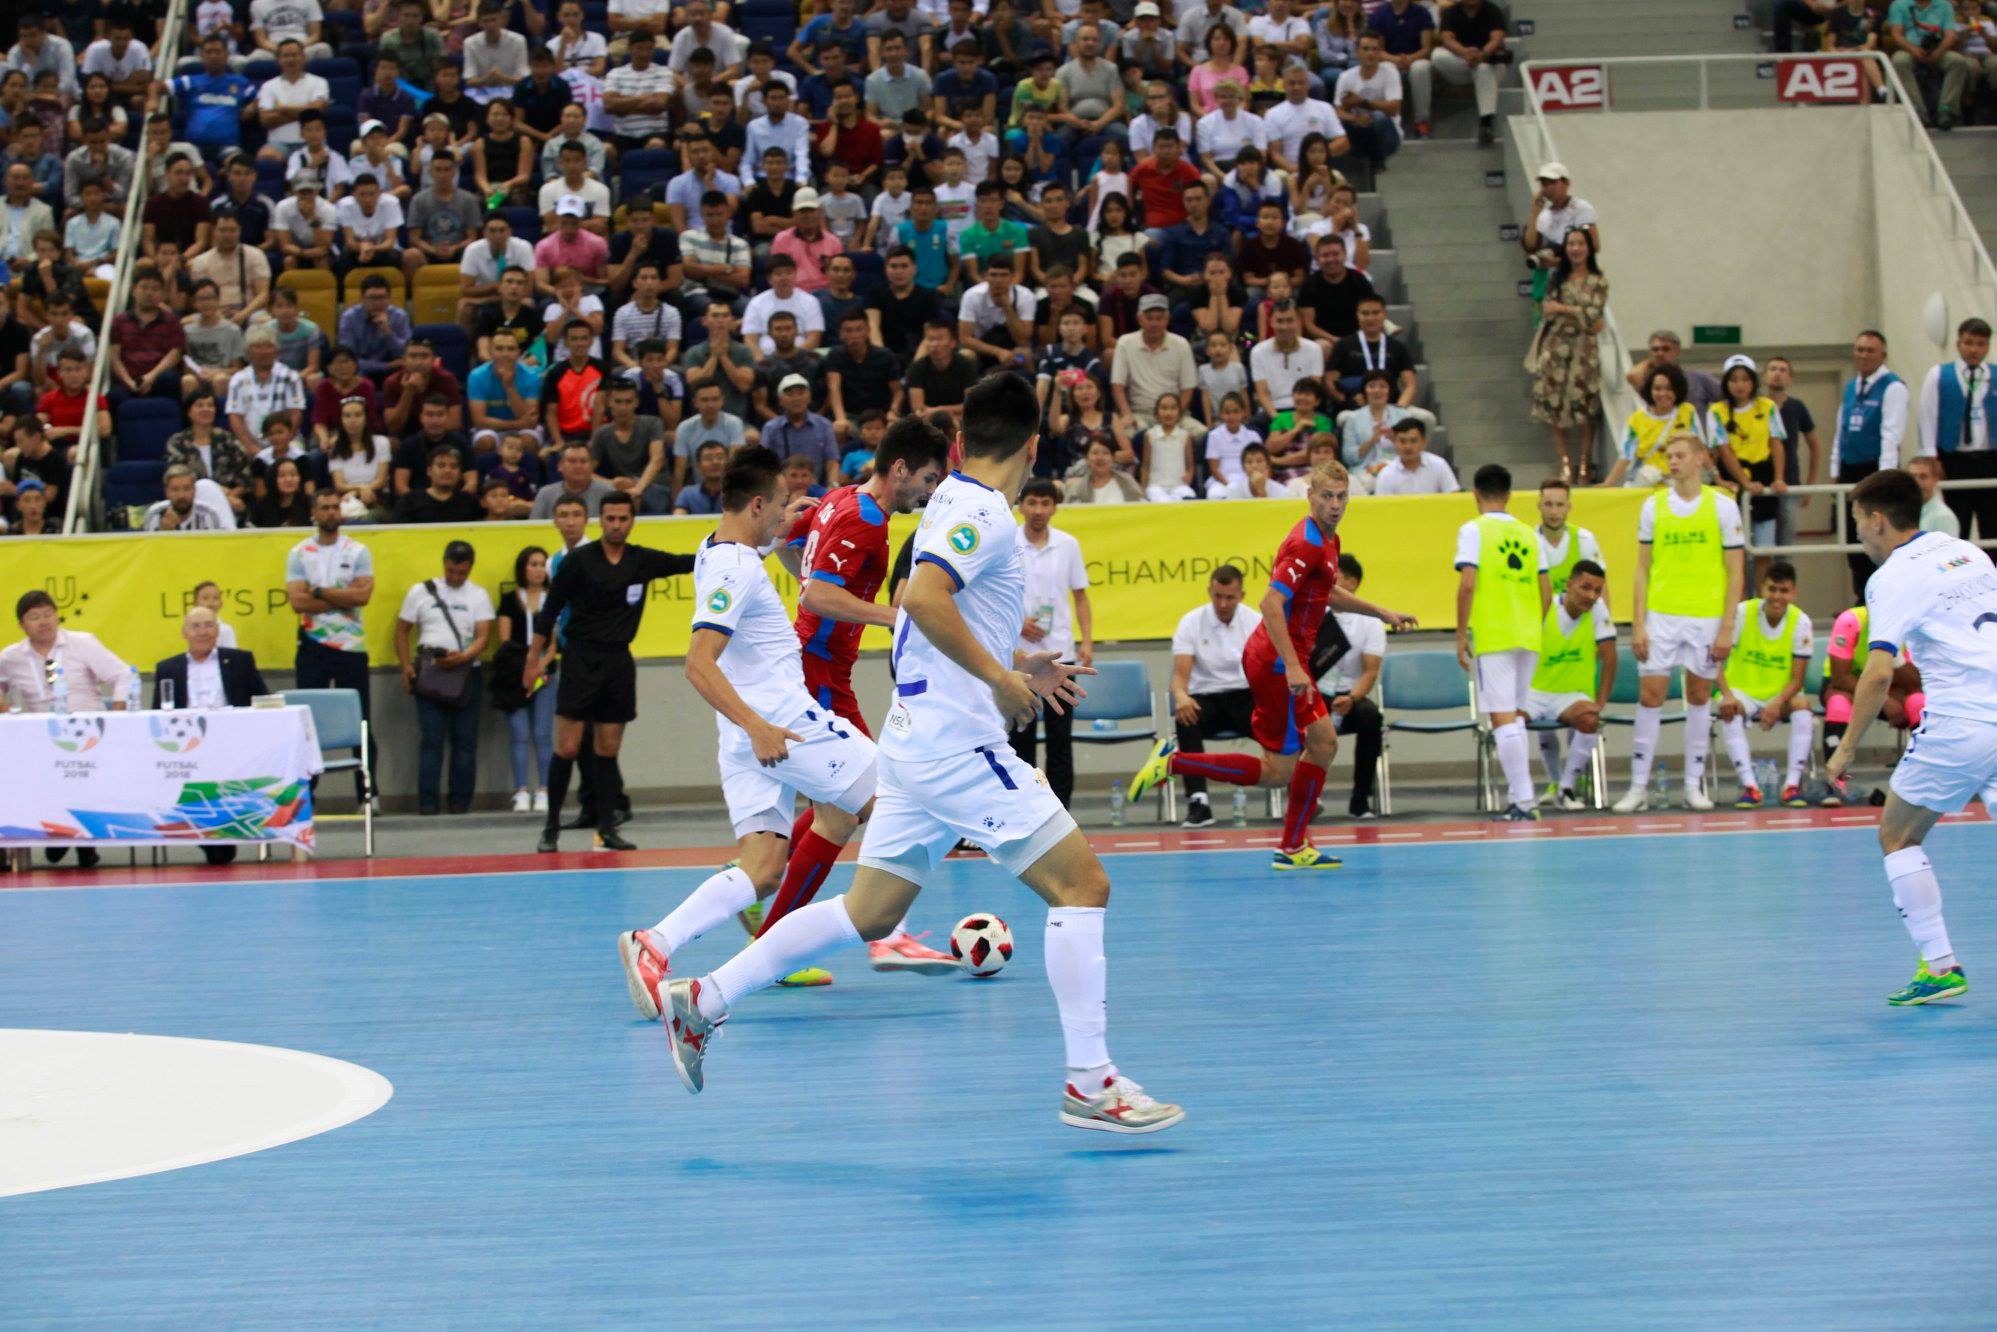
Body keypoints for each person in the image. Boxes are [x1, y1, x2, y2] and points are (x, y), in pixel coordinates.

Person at [650, 373, 1184, 1133]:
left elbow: (917, 611)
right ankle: (1090, 1083)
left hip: (913, 740)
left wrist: (1013, 661)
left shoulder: (946, 501)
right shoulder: (983, 512)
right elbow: (924, 600)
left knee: (869, 912)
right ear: (1034, 448)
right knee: (1083, 887)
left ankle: (703, 999)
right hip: (955, 747)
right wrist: (1000, 679)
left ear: (960, 444)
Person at [737, 417, 956, 971]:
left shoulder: (839, 499)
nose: (930, 492)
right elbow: (816, 595)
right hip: (818, 671)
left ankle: (753, 883)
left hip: (822, 669)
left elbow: (793, 552)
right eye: (929, 479)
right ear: (900, 469)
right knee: (869, 805)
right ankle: (807, 944)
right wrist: (895, 617)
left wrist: (816, 582)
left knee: (841, 806)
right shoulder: (865, 519)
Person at [1131, 459, 1417, 868]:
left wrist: (1382, 612)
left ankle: (1293, 845)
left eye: (1342, 497)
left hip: (1284, 659)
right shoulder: (1307, 543)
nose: (1335, 504)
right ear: (1310, 496)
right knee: (1278, 771)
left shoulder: (1329, 540)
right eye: (1327, 496)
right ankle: (1174, 762)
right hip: (1277, 664)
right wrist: (1293, 666)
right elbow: (1270, 602)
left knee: (1323, 744)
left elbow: (1326, 593)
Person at [1827, 469, 1997, 1004]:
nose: (1859, 533)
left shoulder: (1891, 578)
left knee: (1897, 836)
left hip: (1962, 722)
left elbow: (1877, 674)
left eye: (1858, 522)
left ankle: (1940, 966)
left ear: (1878, 520)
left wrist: (1846, 747)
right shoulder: (1968, 552)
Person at [526, 490, 697, 851]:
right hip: (579, 659)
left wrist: (739, 548)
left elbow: (688, 562)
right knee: (567, 748)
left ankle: (606, 829)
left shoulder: (641, 560)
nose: (617, 525)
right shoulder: (577, 561)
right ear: (601, 521)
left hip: (618, 662)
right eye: (610, 519)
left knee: (607, 749)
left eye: (623, 519)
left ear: (632, 521)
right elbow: (550, 610)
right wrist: (532, 662)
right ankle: (551, 828)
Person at [1613, 433, 1746, 814]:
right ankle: (1638, 787)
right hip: (1662, 615)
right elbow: (1641, 569)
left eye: (1680, 455)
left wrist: (1727, 626)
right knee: (1650, 696)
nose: (1672, 462)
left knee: (1700, 696)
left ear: (1700, 458)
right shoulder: (1653, 506)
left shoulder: (1723, 506)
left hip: (1706, 615)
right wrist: (1638, 623)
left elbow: (1736, 571)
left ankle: (1692, 786)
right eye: (1669, 456)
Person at [1454, 464, 1552, 821]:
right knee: (1516, 718)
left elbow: (1468, 584)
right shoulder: (1530, 533)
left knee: (1503, 718)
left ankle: (1524, 802)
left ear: (1475, 494)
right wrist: (1532, 623)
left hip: (1494, 633)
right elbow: (1546, 591)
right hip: (1528, 633)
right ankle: (1519, 797)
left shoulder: (1473, 530)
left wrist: (1461, 632)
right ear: (1509, 495)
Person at [152, 604, 269, 865]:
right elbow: (157, 715)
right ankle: (209, 835)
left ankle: (222, 833)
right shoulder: (168, 668)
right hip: (187, 748)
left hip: (233, 743)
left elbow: (263, 700)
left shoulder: (240, 661)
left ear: (218, 631)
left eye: (209, 625)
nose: (202, 632)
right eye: (195, 626)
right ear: (184, 633)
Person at [285, 489, 376, 804]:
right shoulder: (300, 553)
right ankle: (307, 793)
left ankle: (368, 794)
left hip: (351, 646)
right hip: (313, 644)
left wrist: (319, 591)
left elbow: (363, 597)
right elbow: (297, 602)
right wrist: (342, 598)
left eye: (335, 507)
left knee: (362, 721)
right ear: (314, 512)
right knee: (308, 723)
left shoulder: (358, 551)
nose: (330, 513)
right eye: (324, 508)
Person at [1712, 559, 1817, 810]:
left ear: (1793, 593)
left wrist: (1776, 703)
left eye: (1784, 591)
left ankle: (1791, 786)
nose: (1777, 596)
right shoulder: (1741, 613)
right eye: (1772, 589)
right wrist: (1726, 694)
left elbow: (1798, 679)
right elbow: (1716, 661)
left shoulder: (1801, 622)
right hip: (1742, 692)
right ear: (1762, 588)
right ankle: (1750, 786)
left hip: (1780, 695)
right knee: (1729, 710)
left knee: (1803, 706)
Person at [1521, 558, 1616, 812]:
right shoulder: (1544, 607)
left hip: (1572, 696)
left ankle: (1566, 787)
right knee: (1511, 722)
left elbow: (1610, 657)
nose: (1591, 596)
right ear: (1569, 584)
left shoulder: (1598, 611)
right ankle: (1521, 794)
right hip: (1535, 692)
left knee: (1590, 720)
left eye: (1597, 591)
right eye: (1585, 587)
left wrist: (1600, 703)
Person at [1166, 565, 1257, 828]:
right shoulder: (1191, 622)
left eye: (1230, 597)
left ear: (1242, 596)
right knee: (1185, 716)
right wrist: (1181, 697)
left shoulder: (1256, 621)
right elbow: (1180, 676)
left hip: (1245, 697)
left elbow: (1267, 671)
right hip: (1206, 698)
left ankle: (1297, 792)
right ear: (1209, 591)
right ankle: (1199, 801)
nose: (1223, 603)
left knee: (1283, 721)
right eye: (1217, 596)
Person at [1831, 329, 1907, 597]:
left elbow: (1891, 435)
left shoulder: (1893, 387)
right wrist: (1835, 470)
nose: (1864, 355)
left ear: (1883, 355)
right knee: (1854, 542)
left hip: (1873, 470)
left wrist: (1883, 479)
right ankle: (1860, 603)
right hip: (1849, 470)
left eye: (1870, 351)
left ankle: (1881, 600)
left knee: (1877, 541)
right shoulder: (1851, 386)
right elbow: (1841, 431)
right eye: (1859, 350)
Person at [1530, 228, 1607, 482]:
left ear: (1588, 248)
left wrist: (1564, 309)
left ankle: (1584, 463)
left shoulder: (1598, 280)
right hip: (1555, 346)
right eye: (1571, 244)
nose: (1575, 248)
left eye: (1580, 243)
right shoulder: (1557, 278)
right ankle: (1564, 462)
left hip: (1584, 349)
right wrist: (1576, 311)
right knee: (1551, 403)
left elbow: (1593, 316)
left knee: (1584, 404)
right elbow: (1547, 309)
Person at [1917, 316, 1996, 541]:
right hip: (1953, 458)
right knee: (1957, 521)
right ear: (1958, 343)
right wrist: (1930, 458)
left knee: (1992, 525)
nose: (1974, 349)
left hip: (1990, 458)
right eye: (1968, 343)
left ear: (1988, 347)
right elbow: (1927, 416)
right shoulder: (1939, 375)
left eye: (1980, 344)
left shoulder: (1995, 375)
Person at [496, 545, 559, 814]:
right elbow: (505, 640)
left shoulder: (554, 599)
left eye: (542, 564)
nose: (538, 570)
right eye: (533, 564)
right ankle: (521, 790)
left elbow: (554, 644)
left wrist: (540, 666)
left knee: (543, 734)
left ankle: (544, 790)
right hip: (515, 675)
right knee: (519, 734)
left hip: (545, 675)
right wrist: (526, 667)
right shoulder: (510, 600)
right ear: (523, 569)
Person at [1709, 354, 1789, 551]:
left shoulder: (1767, 407)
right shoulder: (1716, 411)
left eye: (1745, 379)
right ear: (1726, 383)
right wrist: (1745, 483)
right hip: (1733, 479)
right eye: (1734, 380)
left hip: (1764, 476)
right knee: (1733, 547)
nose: (1740, 385)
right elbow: (1724, 451)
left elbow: (1776, 444)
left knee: (1764, 547)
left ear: (1753, 382)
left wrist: (1779, 478)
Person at [1599, 361, 1703, 490]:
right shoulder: (1636, 420)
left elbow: (1699, 446)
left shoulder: (1688, 412)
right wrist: (1608, 483)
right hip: (1645, 484)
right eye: (1657, 389)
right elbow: (1626, 456)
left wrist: (1715, 476)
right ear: (1649, 390)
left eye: (1669, 388)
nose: (1663, 394)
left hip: (1677, 485)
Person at [1433, 0, 1509, 145]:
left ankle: (1486, 124)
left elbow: (1497, 38)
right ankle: (1475, 63)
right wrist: (1465, 53)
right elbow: (1447, 39)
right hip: (1462, 63)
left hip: (1489, 63)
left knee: (1483, 69)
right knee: (1437, 55)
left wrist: (1482, 54)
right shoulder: (1450, 12)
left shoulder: (1493, 10)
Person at [1535, 477, 1605, 600]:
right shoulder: (1528, 540)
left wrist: (1605, 613)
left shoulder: (1585, 539)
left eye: (1560, 505)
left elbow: (1600, 586)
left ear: (1569, 506)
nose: (1554, 512)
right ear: (1539, 506)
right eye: (1548, 504)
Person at [1624, 328, 1721, 414]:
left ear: (1677, 351)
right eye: (1655, 349)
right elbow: (1632, 375)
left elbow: (1726, 397)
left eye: (1666, 349)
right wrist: (1654, 359)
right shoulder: (1650, 383)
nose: (1660, 353)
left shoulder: (1699, 379)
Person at [1371, 419, 1459, 495]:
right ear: (1394, 443)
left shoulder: (1439, 465)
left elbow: (1454, 496)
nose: (1407, 447)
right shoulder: (1386, 474)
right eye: (1402, 441)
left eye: (1413, 441)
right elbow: (1382, 507)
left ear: (1424, 442)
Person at [144, 465, 234, 531]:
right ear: (166, 492)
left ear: (194, 491)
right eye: (175, 489)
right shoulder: (154, 515)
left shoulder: (209, 515)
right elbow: (150, 549)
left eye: (186, 488)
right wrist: (163, 532)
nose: (181, 495)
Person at [1909, 455, 1960, 536]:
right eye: (1912, 477)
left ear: (1935, 480)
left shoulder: (1943, 517)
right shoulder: (1902, 513)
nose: (1916, 483)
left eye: (1923, 477)